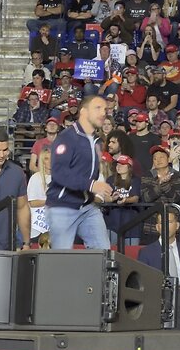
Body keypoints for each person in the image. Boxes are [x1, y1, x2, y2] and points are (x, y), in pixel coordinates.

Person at [46, 95, 114, 250]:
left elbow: (91, 172)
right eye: (97, 108)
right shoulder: (66, 138)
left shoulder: (97, 141)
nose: (103, 112)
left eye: (105, 109)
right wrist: (91, 185)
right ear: (83, 111)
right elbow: (59, 172)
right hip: (63, 206)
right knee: (61, 261)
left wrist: (100, 190)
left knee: (104, 254)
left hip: (88, 207)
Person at [140, 144, 180, 245]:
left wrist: (163, 184)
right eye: (155, 158)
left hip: (171, 223)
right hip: (151, 224)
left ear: (168, 159)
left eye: (161, 157)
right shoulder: (147, 175)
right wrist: (160, 184)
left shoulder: (177, 175)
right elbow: (146, 197)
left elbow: (176, 197)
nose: (158, 160)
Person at [138, 208, 180, 282]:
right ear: (157, 227)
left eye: (169, 222)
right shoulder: (146, 253)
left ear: (177, 225)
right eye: (162, 223)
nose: (165, 226)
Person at [102, 153, 142, 247]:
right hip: (113, 222)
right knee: (110, 252)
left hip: (131, 222)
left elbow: (136, 198)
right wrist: (112, 198)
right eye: (117, 164)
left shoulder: (136, 180)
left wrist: (125, 200)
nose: (118, 166)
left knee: (131, 253)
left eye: (122, 164)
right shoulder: (110, 180)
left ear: (129, 167)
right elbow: (105, 197)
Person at [25, 148, 53, 248]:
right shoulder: (35, 178)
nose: (50, 161)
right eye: (46, 158)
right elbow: (32, 202)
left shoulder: (62, 177)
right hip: (38, 224)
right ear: (42, 161)